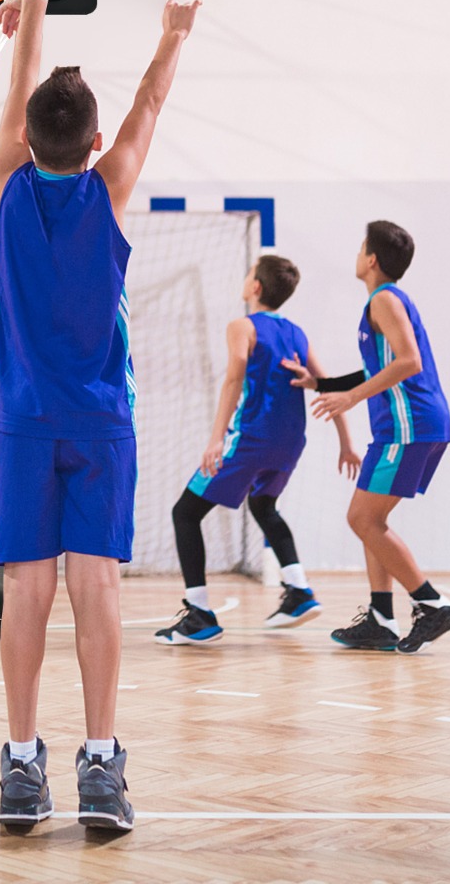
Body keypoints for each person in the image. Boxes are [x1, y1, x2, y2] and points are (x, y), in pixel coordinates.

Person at [0, 0, 201, 832]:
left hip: (23, 421)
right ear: (96, 143)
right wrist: (172, 36)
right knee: (97, 586)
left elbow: (21, 91)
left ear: (28, 139)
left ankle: (19, 764)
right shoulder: (111, 185)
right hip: (102, 422)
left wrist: (32, 10)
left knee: (26, 592)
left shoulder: (4, 182)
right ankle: (103, 765)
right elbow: (151, 101)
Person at [156, 256, 359, 646]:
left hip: (251, 438)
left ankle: (198, 613)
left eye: (248, 273)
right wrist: (346, 442)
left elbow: (234, 378)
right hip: (289, 441)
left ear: (256, 287)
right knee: (263, 506)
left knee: (185, 513)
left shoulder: (241, 326)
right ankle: (298, 589)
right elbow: (328, 384)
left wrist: (216, 438)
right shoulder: (297, 333)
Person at [283, 221, 450, 654]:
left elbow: (409, 361)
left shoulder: (384, 300)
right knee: (371, 520)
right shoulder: (386, 301)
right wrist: (324, 385)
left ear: (372, 259)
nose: (357, 252)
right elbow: (381, 365)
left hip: (409, 425)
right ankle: (381, 618)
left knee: (362, 519)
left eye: (361, 246)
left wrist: (351, 399)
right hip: (409, 425)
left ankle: (431, 603)